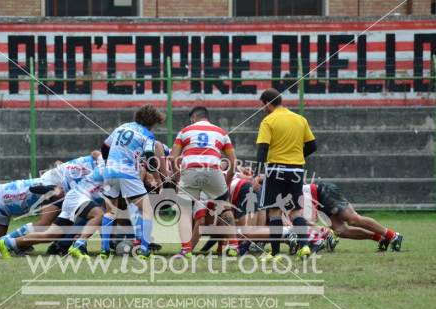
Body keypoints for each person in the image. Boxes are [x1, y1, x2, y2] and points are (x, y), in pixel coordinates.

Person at [0, 157, 106, 259]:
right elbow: (97, 152)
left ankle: (6, 243)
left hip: (73, 199)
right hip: (77, 197)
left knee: (49, 235)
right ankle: (78, 245)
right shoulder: (114, 169)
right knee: (98, 214)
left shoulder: (112, 170)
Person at [253, 88, 317, 261]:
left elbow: (263, 149)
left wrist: (257, 175)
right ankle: (304, 246)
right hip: (296, 170)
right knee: (295, 212)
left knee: (274, 212)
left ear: (267, 103)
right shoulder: (300, 119)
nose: (263, 109)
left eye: (263, 105)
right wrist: (296, 158)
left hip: (276, 170)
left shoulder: (269, 121)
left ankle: (274, 253)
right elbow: (312, 146)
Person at [170, 106, 238, 257]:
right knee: (225, 208)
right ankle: (233, 246)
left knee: (184, 210)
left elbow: (172, 158)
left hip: (190, 170)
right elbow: (233, 162)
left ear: (193, 118)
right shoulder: (221, 132)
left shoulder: (185, 131)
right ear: (207, 117)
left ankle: (186, 249)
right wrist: (226, 182)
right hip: (213, 170)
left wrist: (177, 178)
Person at [100, 104, 165, 259]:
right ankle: (144, 249)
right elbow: (150, 157)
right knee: (147, 209)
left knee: (110, 210)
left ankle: (104, 249)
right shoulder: (147, 135)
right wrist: (157, 178)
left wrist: (107, 161)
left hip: (110, 171)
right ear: (152, 122)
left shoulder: (121, 127)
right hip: (128, 173)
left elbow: (104, 146)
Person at [302, 181, 403, 251]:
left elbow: (310, 221)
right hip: (316, 201)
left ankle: (393, 236)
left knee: (353, 219)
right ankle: (381, 238)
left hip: (322, 192)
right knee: (340, 231)